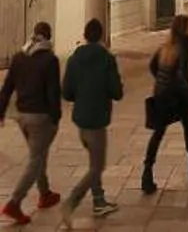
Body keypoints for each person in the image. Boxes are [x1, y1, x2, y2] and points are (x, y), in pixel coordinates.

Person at [0, 20, 62, 223]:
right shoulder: (50, 60)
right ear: (49, 37)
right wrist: (56, 116)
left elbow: (7, 87)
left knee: (38, 153)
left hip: (21, 116)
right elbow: (53, 93)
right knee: (36, 160)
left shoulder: (19, 57)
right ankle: (14, 203)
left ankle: (45, 194)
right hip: (40, 117)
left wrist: (0, 112)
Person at [59, 17, 121, 221]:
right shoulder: (107, 58)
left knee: (93, 162)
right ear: (101, 35)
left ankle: (99, 200)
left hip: (81, 119)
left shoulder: (74, 59)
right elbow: (116, 91)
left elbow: (67, 92)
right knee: (97, 167)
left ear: (85, 35)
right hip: (97, 119)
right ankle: (71, 202)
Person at [139, 14, 188, 195]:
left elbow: (153, 67)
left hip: (162, 96)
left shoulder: (165, 47)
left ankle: (147, 172)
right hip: (178, 97)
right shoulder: (183, 49)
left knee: (158, 134)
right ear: (186, 29)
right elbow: (181, 78)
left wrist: (161, 82)